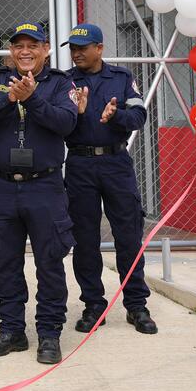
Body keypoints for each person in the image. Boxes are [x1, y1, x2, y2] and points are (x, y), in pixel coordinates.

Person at [0, 21, 78, 365]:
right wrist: (9, 101)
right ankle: (12, 330)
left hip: (44, 186)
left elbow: (66, 123)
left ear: (46, 49)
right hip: (4, 186)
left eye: (33, 45)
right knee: (6, 260)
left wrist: (31, 101)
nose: (25, 51)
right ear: (11, 51)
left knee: (49, 261)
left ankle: (49, 334)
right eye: (18, 46)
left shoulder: (61, 83)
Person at [63, 24, 158, 335]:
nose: (77, 53)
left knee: (128, 235)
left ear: (99, 48)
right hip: (79, 164)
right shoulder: (64, 82)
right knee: (84, 238)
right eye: (73, 48)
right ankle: (93, 305)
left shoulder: (121, 78)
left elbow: (139, 116)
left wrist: (115, 117)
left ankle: (136, 305)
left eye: (83, 47)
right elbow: (56, 123)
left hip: (116, 163)